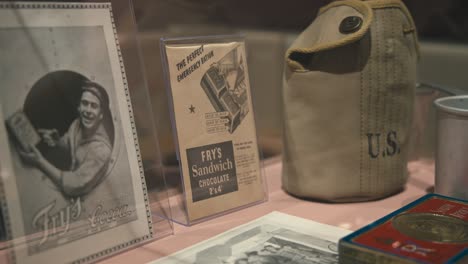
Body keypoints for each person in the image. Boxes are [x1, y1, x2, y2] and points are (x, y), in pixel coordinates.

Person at [21, 81, 112, 198]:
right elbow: (72, 148)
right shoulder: (77, 124)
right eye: (85, 103)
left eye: (94, 106)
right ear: (79, 107)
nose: (88, 110)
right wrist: (58, 142)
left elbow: (74, 185)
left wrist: (39, 161)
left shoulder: (102, 150)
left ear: (101, 114)